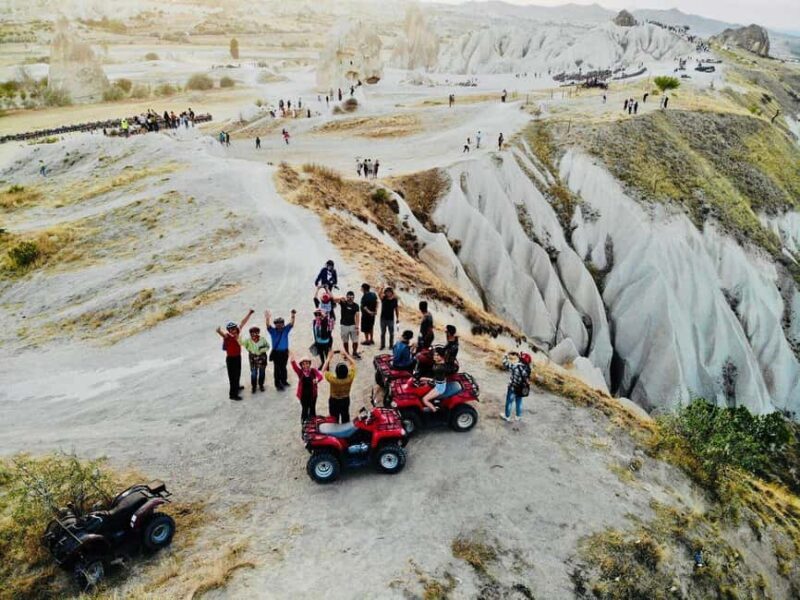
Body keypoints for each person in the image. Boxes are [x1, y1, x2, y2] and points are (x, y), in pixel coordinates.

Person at [215, 309, 254, 400]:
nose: (234, 330)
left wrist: (249, 313)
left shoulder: (238, 332)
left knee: (237, 374)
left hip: (237, 357)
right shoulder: (227, 336)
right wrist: (219, 331)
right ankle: (233, 395)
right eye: (231, 329)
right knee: (233, 377)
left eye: (234, 328)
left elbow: (243, 322)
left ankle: (237, 387)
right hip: (231, 359)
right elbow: (223, 334)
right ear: (229, 330)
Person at [323, 349, 356, 423]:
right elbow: (353, 363)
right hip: (345, 400)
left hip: (334, 401)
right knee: (345, 417)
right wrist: (346, 354)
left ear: (336, 372)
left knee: (334, 419)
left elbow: (324, 370)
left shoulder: (333, 380)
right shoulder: (350, 378)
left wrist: (328, 358)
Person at [266, 308, 296, 390]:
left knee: (283, 367)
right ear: (275, 324)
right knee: (277, 369)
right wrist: (267, 318)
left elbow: (291, 323)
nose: (279, 325)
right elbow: (268, 326)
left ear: (283, 324)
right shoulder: (272, 331)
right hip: (276, 353)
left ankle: (284, 381)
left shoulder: (285, 330)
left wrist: (293, 315)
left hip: (284, 352)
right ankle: (277, 384)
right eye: (277, 323)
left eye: (280, 323)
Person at [290, 351, 323, 424]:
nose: (305, 366)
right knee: (304, 410)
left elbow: (320, 376)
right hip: (303, 396)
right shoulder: (300, 372)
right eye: (303, 364)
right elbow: (294, 366)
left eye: (307, 363)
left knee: (312, 409)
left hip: (313, 395)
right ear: (301, 365)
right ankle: (304, 424)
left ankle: (313, 424)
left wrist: (317, 380)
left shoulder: (313, 371)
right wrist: (292, 357)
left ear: (309, 364)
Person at [242, 316, 270, 393]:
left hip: (262, 358)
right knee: (253, 373)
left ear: (258, 333)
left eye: (256, 332)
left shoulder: (262, 339)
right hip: (252, 359)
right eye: (252, 332)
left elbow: (268, 346)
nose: (254, 334)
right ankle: (254, 386)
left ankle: (261, 385)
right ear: (250, 333)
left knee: (262, 372)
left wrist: (261, 350)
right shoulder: (248, 341)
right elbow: (242, 343)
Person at [501, 351, 532, 422]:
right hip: (521, 388)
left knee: (509, 402)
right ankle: (518, 416)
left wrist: (506, 354)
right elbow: (526, 362)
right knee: (519, 402)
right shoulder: (528, 368)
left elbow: (505, 363)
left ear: (521, 359)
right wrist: (520, 356)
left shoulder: (516, 366)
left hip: (513, 388)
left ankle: (507, 416)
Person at [337, 291, 361, 358]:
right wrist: (341, 297)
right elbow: (334, 300)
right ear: (346, 297)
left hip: (353, 325)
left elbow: (357, 316)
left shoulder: (356, 305)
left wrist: (357, 326)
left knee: (355, 341)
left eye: (351, 297)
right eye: (349, 297)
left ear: (354, 297)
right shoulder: (343, 303)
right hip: (344, 325)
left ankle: (354, 352)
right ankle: (347, 353)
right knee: (345, 341)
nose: (350, 298)